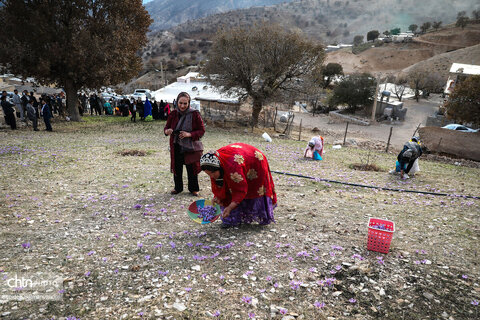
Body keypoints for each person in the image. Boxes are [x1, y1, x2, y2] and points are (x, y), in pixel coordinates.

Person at [200, 143, 277, 228]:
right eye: (208, 174)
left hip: (256, 161)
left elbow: (240, 190)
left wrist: (229, 208)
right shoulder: (213, 165)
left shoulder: (232, 167)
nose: (211, 176)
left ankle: (248, 214)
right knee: (233, 184)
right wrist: (218, 197)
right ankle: (233, 219)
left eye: (212, 173)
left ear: (219, 168)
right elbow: (220, 184)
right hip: (238, 158)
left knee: (252, 188)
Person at [164, 92, 205, 196]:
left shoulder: (194, 114)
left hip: (190, 146)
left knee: (191, 168)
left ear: (189, 103)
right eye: (180, 103)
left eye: (185, 103)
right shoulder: (173, 114)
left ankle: (193, 189)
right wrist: (167, 131)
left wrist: (189, 134)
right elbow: (166, 128)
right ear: (177, 102)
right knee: (177, 168)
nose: (182, 106)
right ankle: (178, 188)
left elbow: (201, 130)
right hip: (176, 145)